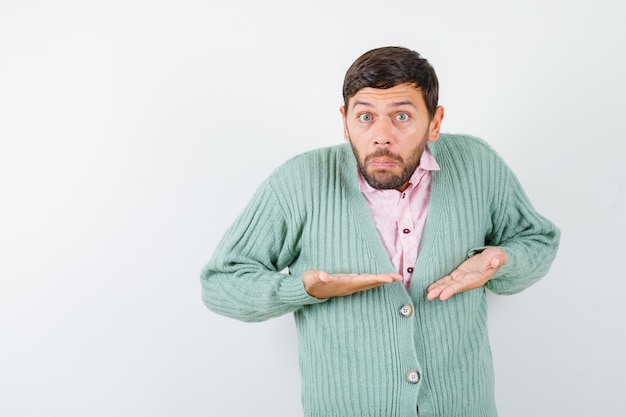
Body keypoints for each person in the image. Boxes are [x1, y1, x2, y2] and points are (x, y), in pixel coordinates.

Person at [200, 46, 560, 417]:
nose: (381, 136)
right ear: (345, 121)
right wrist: (302, 290)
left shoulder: (477, 164)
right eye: (366, 117)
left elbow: (537, 240)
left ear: (434, 122)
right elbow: (221, 282)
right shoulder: (298, 182)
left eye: (402, 116)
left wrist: (502, 261)